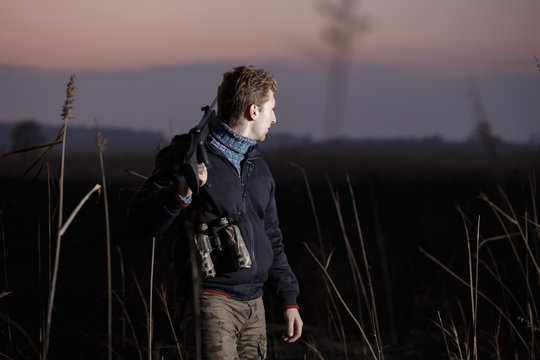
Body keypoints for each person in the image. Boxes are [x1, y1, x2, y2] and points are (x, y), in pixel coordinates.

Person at [128, 65, 302, 359]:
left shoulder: (258, 168)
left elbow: (271, 236)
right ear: (253, 111)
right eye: (271, 109)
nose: (275, 118)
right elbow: (139, 221)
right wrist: (180, 193)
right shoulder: (186, 156)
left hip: (255, 305)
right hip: (209, 300)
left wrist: (289, 299)